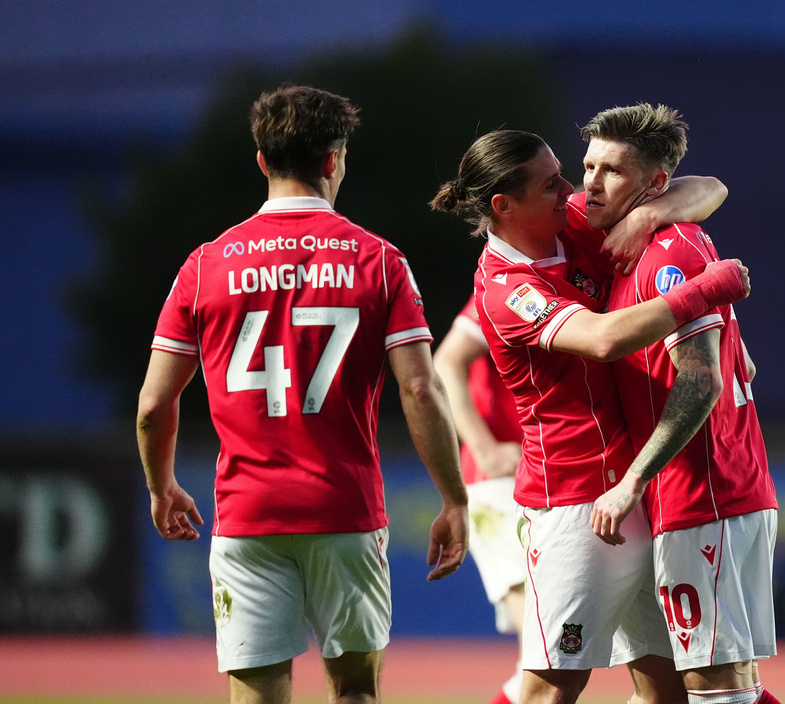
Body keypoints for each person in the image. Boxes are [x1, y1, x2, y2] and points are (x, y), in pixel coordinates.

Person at [136, 85, 469, 704]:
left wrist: (161, 485)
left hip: (247, 513)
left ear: (262, 161)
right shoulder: (380, 261)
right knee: (355, 692)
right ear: (334, 160)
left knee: (258, 694)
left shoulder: (204, 265)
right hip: (345, 509)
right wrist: (453, 498)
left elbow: (155, 405)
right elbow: (419, 388)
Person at [431, 129, 749, 704]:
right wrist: (708, 288)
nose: (571, 189)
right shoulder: (507, 288)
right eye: (551, 183)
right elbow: (602, 340)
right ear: (504, 206)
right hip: (575, 507)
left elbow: (710, 187)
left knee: (667, 691)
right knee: (548, 688)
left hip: (633, 495)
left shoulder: (568, 223)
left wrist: (647, 217)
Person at [585, 104, 781, 704]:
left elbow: (700, 383)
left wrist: (632, 482)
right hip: (695, 494)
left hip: (706, 491)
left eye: (611, 170)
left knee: (716, 688)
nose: (590, 182)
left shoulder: (668, 252)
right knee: (681, 688)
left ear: (652, 184)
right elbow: (710, 185)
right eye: (587, 165)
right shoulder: (628, 233)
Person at [433, 294, 527, 704]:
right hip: (499, 485)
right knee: (547, 659)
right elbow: (445, 360)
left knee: (550, 658)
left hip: (536, 483)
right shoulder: (509, 283)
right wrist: (485, 448)